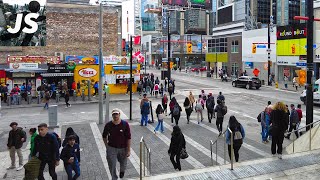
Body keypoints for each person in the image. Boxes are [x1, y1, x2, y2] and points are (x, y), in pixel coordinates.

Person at [102, 108, 131, 180]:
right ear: (112, 115)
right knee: (111, 164)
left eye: (116, 114)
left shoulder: (125, 124)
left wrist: (129, 150)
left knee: (123, 162)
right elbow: (104, 136)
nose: (115, 116)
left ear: (119, 114)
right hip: (112, 148)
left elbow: (129, 137)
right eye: (114, 114)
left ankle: (122, 171)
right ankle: (114, 178)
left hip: (123, 148)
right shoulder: (108, 125)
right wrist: (107, 146)